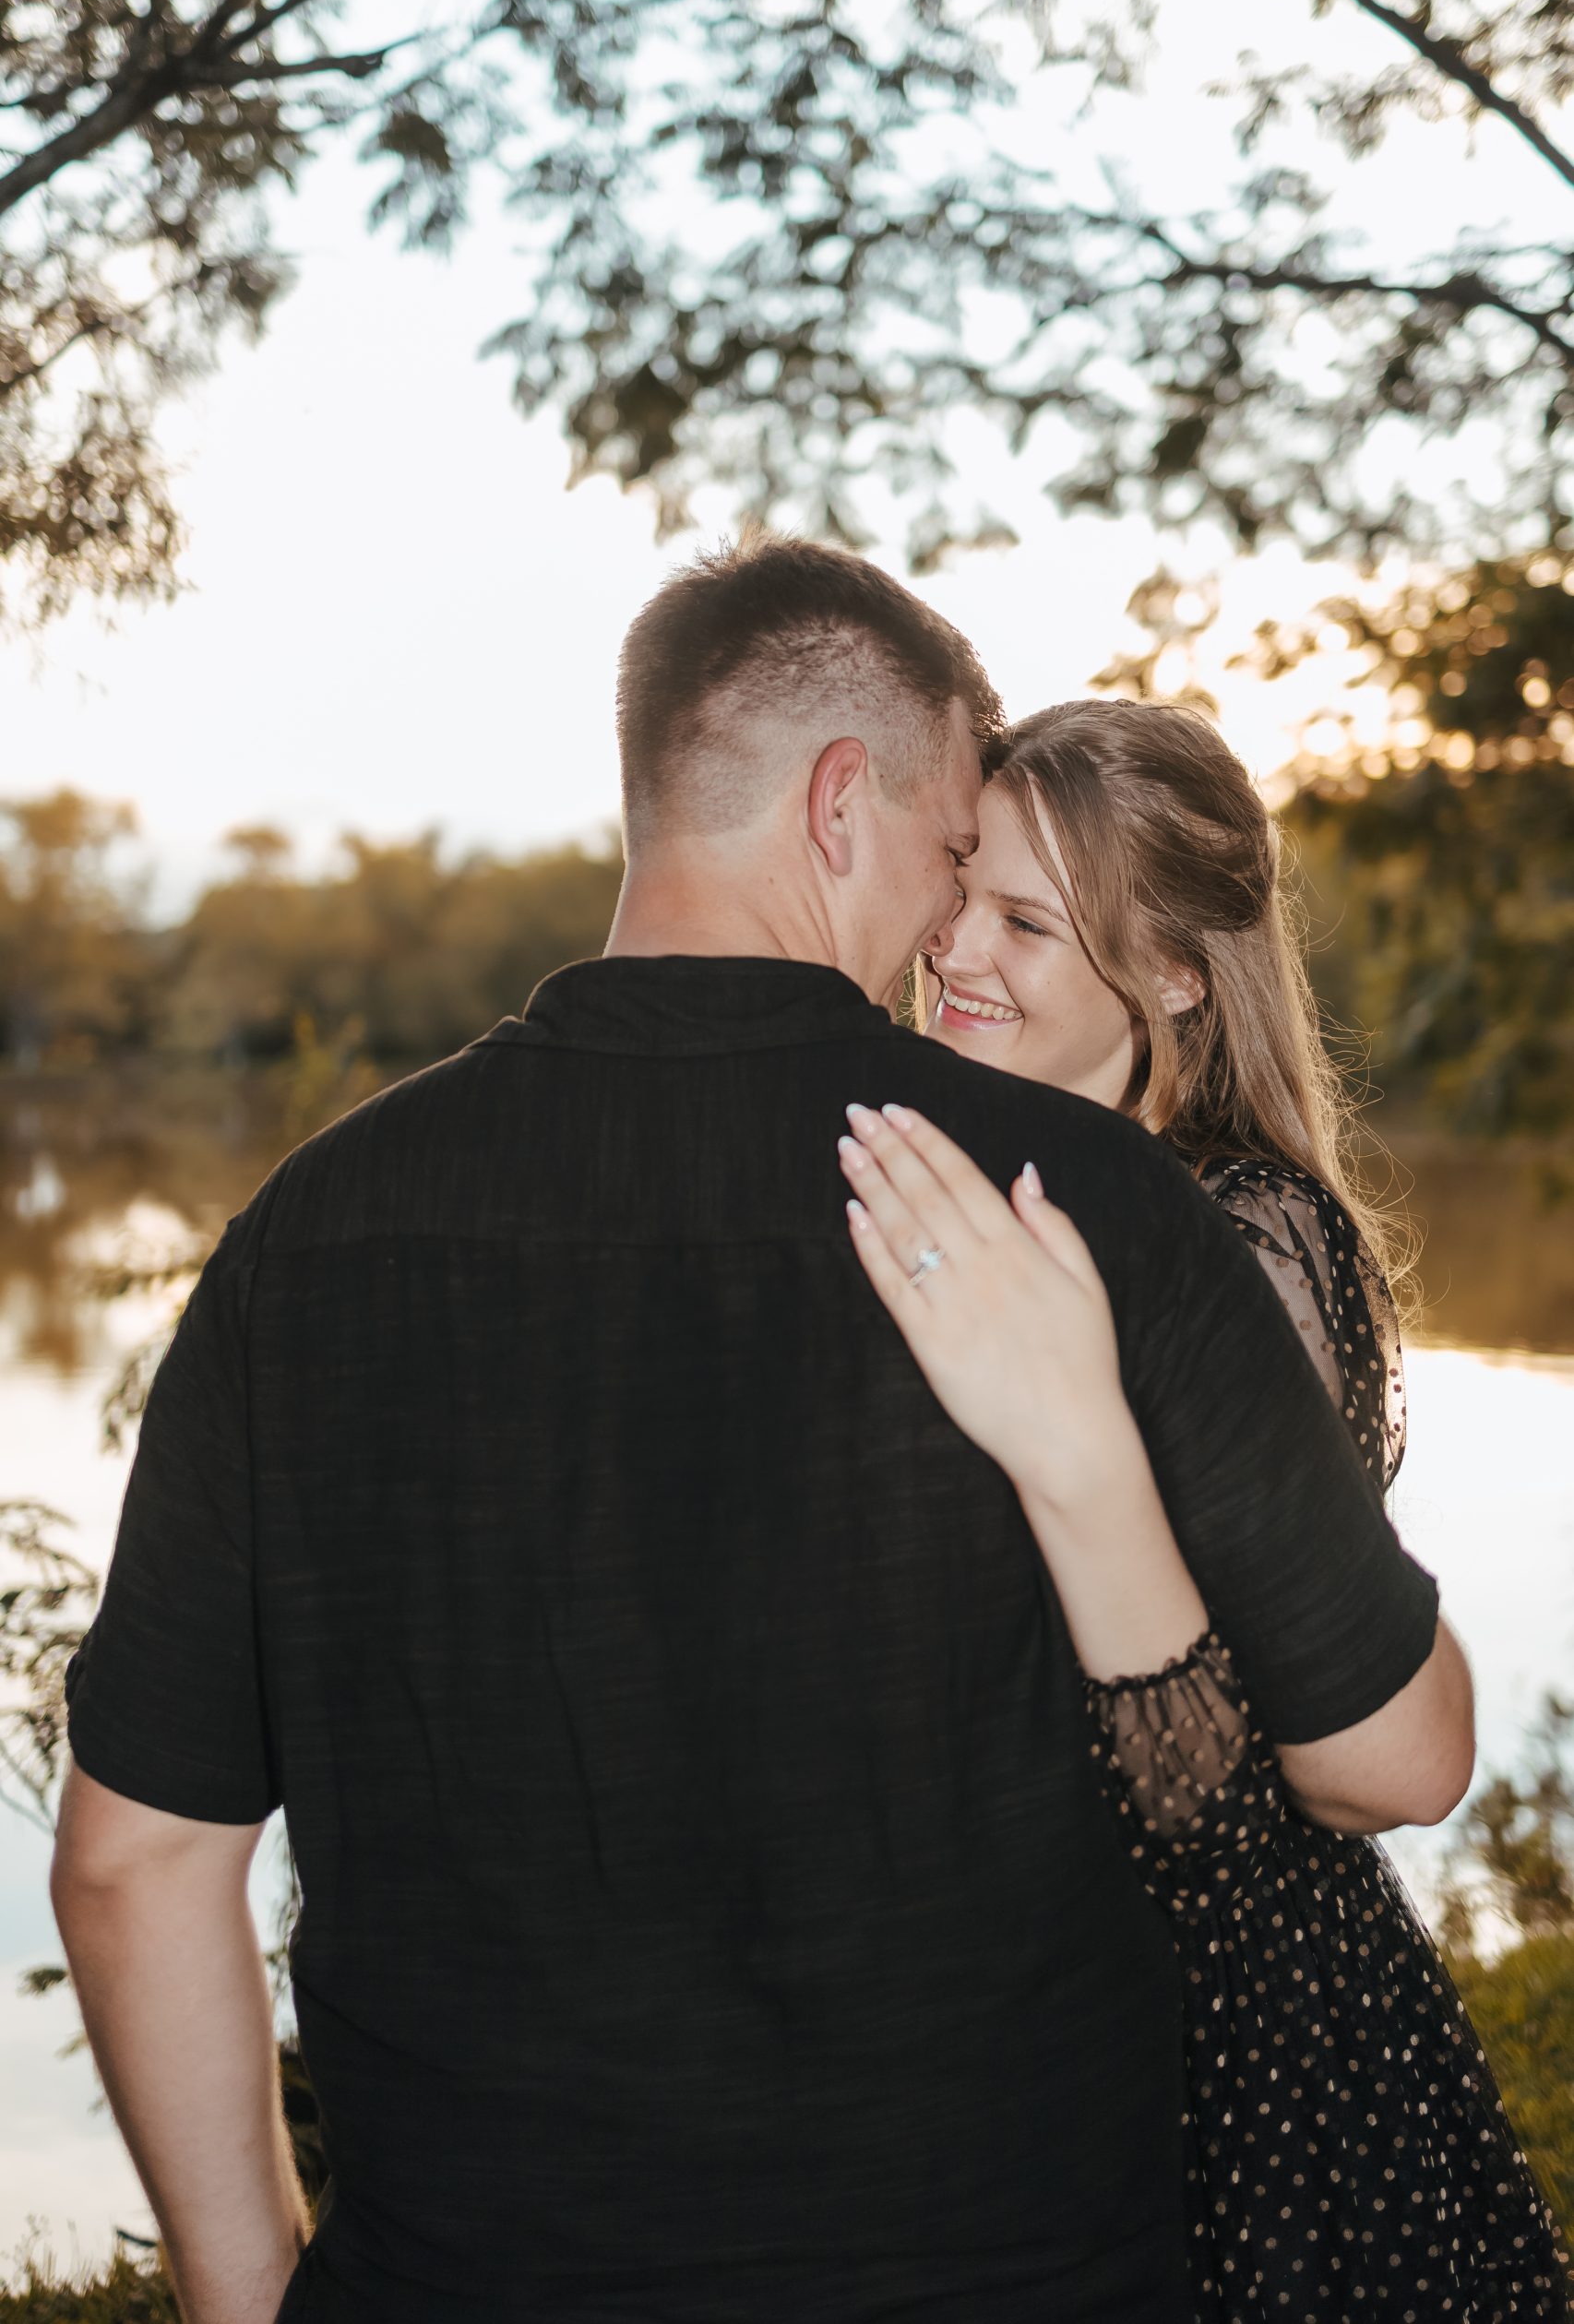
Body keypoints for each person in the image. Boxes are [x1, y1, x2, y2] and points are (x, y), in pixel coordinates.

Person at [54, 538, 1470, 2324]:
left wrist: (250, 2295)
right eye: (951, 852)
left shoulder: (305, 1239)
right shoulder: (1081, 1211)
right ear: (837, 805)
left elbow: (133, 1860)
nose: (946, 925)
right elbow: (1388, 1755)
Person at [840, 694, 1568, 2316]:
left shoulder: (1244, 1237)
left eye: (1027, 923)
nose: (953, 949)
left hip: (1231, 2033)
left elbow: (1290, 1767)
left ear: (1174, 974)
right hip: (1013, 1998)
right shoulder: (980, 1187)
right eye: (959, 891)